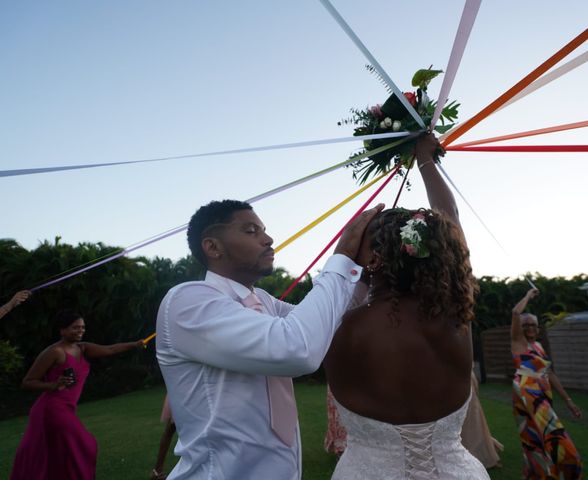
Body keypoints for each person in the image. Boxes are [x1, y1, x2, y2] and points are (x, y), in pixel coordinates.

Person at [156, 198, 381, 479]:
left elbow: (330, 321)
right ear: (213, 247)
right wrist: (342, 259)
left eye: (263, 229)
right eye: (251, 231)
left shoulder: (262, 300)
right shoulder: (187, 301)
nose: (268, 239)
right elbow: (297, 348)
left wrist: (362, 273)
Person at [323, 132, 489, 479]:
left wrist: (343, 257)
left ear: (370, 259)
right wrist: (426, 159)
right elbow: (452, 221)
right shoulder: (455, 314)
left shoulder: (335, 323)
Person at [10, 309, 145, 480]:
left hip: (66, 408)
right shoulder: (55, 352)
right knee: (85, 445)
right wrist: (53, 385)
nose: (80, 331)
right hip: (51, 410)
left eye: (82, 328)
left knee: (57, 455)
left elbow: (110, 349)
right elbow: (27, 382)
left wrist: (134, 344)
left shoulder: (83, 348)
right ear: (62, 330)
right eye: (75, 328)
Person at [511, 288, 583, 479]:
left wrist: (567, 400)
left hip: (542, 394)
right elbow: (516, 313)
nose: (531, 328)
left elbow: (549, 373)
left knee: (535, 441)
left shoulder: (539, 347)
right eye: (526, 325)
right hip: (527, 394)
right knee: (553, 437)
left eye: (534, 324)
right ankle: (569, 466)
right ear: (520, 327)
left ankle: (537, 475)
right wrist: (528, 295)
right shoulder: (518, 343)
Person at [150, 394, 177, 480]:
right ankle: (157, 470)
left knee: (169, 431)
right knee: (170, 430)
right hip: (180, 393)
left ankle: (157, 471)